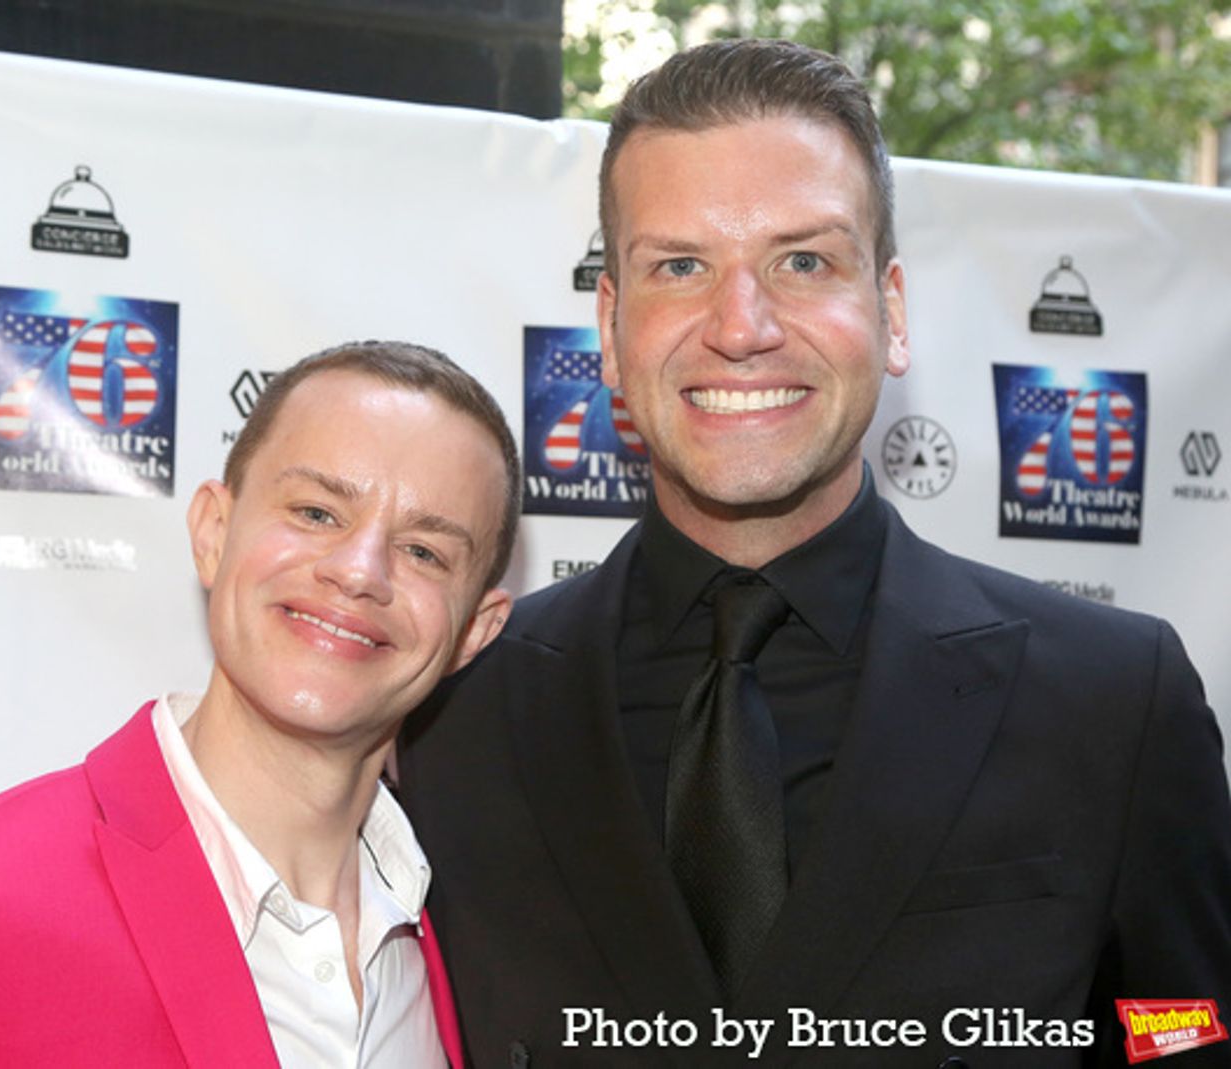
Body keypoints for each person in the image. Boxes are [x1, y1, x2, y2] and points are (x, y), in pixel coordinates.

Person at [398, 40, 1231, 1067]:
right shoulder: (449, 713)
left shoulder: (1113, 702)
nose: (740, 327)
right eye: (679, 266)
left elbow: (1184, 1039)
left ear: (888, 311)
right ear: (609, 330)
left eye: (802, 261)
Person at [0, 340, 520, 1068]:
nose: (358, 571)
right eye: (317, 512)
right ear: (213, 534)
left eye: (424, 553)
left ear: (475, 630)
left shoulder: (464, 939)